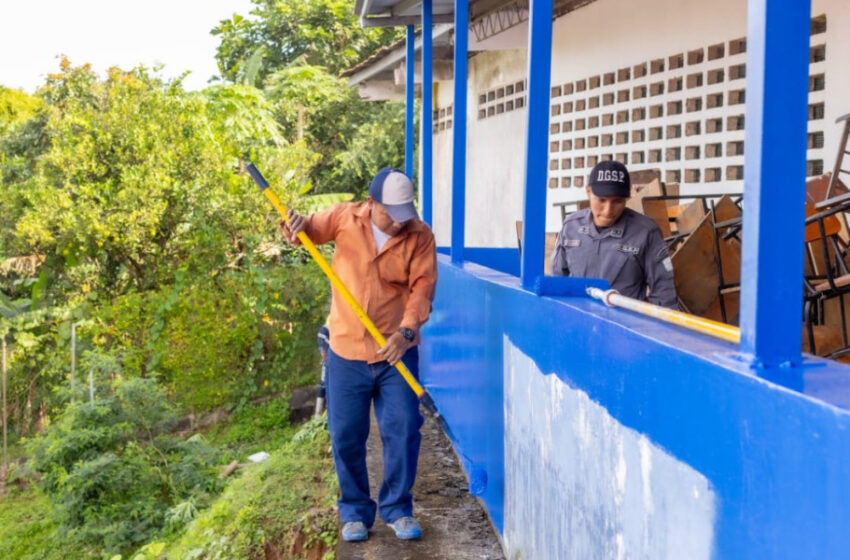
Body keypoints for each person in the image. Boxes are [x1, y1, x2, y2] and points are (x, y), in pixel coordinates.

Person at [282, 167, 437, 542]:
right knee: (346, 433)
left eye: (405, 215)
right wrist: (295, 228)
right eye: (391, 215)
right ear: (371, 204)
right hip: (347, 350)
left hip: (395, 351)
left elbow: (422, 289)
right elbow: (306, 233)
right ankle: (354, 510)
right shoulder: (343, 217)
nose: (399, 224)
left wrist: (406, 331)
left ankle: (397, 508)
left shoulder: (420, 235)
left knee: (402, 429)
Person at [551, 160, 678, 308]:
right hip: (579, 322)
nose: (608, 210)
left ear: (627, 197)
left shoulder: (646, 232)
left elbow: (664, 292)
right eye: (601, 200)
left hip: (624, 325)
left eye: (617, 201)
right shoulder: (571, 226)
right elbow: (558, 281)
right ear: (588, 192)